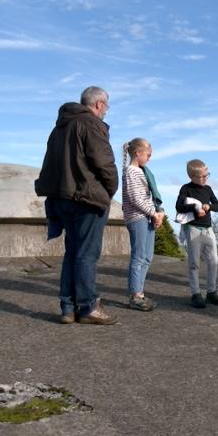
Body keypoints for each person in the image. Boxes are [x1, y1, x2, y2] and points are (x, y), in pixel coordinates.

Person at [35, 86, 118, 325]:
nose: (106, 111)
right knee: (87, 255)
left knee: (72, 253)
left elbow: (49, 164)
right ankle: (89, 306)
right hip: (86, 199)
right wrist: (109, 191)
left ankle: (68, 308)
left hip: (62, 198)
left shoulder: (59, 127)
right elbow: (104, 164)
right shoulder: (90, 124)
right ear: (99, 104)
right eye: (107, 106)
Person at [175, 159, 218, 309]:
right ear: (192, 176)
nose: (205, 178)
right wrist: (195, 207)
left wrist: (208, 206)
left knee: (213, 261)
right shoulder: (186, 188)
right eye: (202, 176)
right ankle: (196, 294)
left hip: (208, 229)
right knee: (194, 263)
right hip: (192, 229)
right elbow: (179, 206)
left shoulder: (208, 189)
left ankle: (211, 292)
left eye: (207, 175)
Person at [122, 138, 165, 311]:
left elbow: (145, 197)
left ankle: (140, 292)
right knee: (139, 256)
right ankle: (135, 295)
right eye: (148, 154)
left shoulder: (141, 171)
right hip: (138, 218)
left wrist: (157, 214)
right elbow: (137, 199)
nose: (149, 158)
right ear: (137, 153)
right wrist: (155, 213)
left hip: (147, 217)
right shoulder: (132, 172)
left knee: (147, 257)